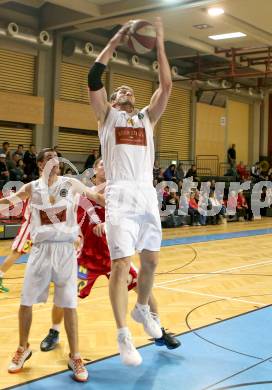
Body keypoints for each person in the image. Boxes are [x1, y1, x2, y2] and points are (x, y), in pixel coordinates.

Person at [88, 17, 172, 366]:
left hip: (146, 194)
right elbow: (93, 77)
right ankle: (124, 335)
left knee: (151, 261)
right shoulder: (106, 117)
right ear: (113, 97)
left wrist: (161, 43)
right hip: (120, 193)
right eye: (120, 90)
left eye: (129, 91)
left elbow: (166, 86)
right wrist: (116, 41)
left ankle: (142, 311)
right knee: (122, 264)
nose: (126, 92)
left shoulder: (146, 119)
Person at [40, 158, 180, 352]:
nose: (106, 166)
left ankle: (159, 331)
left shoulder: (121, 196)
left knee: (143, 290)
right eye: (102, 164)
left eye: (109, 164)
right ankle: (54, 331)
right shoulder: (83, 191)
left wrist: (109, 224)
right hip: (86, 260)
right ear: (94, 170)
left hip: (116, 257)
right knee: (66, 296)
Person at [0, 148, 104, 382]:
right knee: (26, 302)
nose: (54, 161)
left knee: (69, 304)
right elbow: (8, 202)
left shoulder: (71, 184)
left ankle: (75, 356)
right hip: (40, 251)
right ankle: (22, 348)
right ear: (39, 164)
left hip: (65, 252)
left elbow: (96, 198)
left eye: (56, 157)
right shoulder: (32, 188)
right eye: (48, 158)